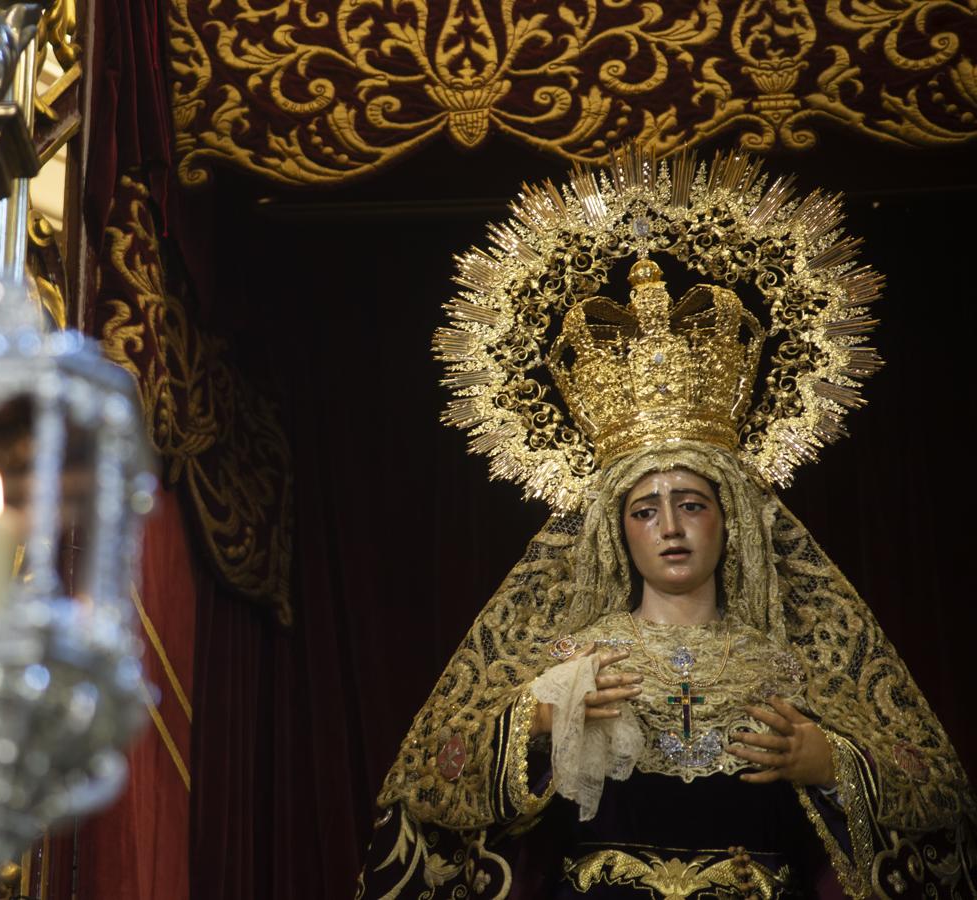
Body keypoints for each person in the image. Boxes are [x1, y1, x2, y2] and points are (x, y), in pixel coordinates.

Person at [357, 149, 976, 899]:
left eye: (692, 504)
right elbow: (430, 779)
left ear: (732, 523)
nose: (671, 527)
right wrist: (536, 722)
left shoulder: (790, 660)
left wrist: (833, 762)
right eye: (646, 510)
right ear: (616, 531)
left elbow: (940, 793)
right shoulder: (576, 657)